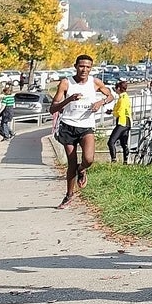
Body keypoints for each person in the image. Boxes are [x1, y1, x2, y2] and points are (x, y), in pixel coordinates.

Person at [51, 55, 114, 209]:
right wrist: (69, 100)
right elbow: (52, 108)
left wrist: (101, 102)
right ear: (75, 66)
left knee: (89, 159)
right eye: (81, 66)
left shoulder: (95, 82)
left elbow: (110, 95)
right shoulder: (66, 83)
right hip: (68, 126)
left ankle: (82, 169)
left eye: (88, 67)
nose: (84, 69)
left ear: (91, 68)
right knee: (71, 163)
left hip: (86, 126)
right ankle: (69, 196)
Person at [108, 80, 131, 163]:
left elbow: (120, 112)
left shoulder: (122, 98)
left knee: (111, 142)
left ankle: (113, 160)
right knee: (123, 143)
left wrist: (113, 113)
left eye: (115, 88)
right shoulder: (125, 97)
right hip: (127, 122)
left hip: (122, 122)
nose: (115, 90)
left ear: (118, 88)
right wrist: (112, 111)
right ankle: (125, 161)